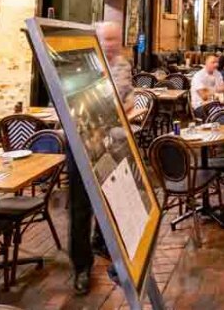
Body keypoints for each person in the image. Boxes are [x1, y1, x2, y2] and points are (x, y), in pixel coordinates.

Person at [69, 22, 133, 295]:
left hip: (112, 141)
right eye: (105, 38)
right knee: (80, 207)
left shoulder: (122, 64)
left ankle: (101, 239)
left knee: (111, 195)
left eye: (114, 39)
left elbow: (122, 98)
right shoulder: (78, 64)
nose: (110, 44)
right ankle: (81, 267)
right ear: (94, 37)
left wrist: (123, 104)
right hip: (81, 142)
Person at [190, 54, 224, 118]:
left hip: (216, 104)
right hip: (201, 106)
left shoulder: (217, 73)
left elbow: (222, 88)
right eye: (213, 62)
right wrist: (220, 89)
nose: (216, 65)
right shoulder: (198, 76)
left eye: (217, 62)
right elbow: (204, 96)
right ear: (206, 63)